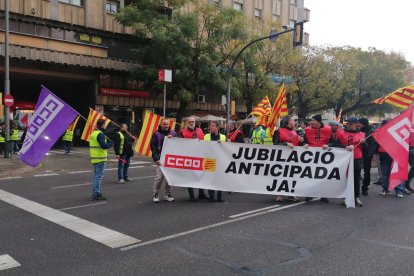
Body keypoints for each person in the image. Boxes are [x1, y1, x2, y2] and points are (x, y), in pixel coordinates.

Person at [335, 117, 366, 207]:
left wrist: (364, 143)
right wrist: (345, 146)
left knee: (356, 179)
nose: (348, 125)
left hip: (356, 159)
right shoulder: (341, 133)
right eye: (347, 124)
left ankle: (356, 197)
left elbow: (366, 149)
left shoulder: (362, 135)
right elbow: (336, 144)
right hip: (344, 159)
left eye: (350, 124)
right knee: (345, 178)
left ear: (356, 125)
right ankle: (345, 196)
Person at [303, 114, 334, 203]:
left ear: (319, 121)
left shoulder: (328, 130)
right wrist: (304, 143)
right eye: (311, 120)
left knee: (323, 176)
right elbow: (304, 140)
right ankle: (309, 194)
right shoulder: (308, 130)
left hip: (324, 157)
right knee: (310, 175)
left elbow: (333, 142)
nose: (311, 122)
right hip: (311, 156)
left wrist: (328, 145)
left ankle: (324, 195)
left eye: (313, 120)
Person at [273, 116, 303, 202]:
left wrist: (301, 142)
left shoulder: (295, 132)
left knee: (292, 176)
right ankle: (279, 194)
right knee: (281, 176)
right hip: (281, 158)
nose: (295, 122)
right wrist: (286, 144)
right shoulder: (278, 131)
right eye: (293, 120)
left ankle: (291, 194)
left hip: (293, 158)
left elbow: (297, 145)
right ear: (288, 122)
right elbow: (276, 143)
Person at [177, 116, 207, 201]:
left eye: (193, 122)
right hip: (188, 157)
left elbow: (204, 142)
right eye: (189, 121)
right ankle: (192, 195)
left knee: (201, 175)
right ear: (187, 123)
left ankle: (201, 193)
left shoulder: (200, 130)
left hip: (199, 156)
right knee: (190, 176)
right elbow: (177, 143)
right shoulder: (182, 132)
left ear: (195, 122)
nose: (191, 123)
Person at [375, 119, 405, 198]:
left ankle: (387, 190)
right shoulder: (381, 131)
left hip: (389, 153)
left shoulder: (380, 131)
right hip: (389, 153)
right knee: (394, 172)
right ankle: (397, 190)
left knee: (387, 172)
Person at [150, 119, 177, 203]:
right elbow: (153, 147)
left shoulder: (173, 133)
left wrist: (174, 139)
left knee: (169, 179)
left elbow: (180, 143)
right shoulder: (156, 134)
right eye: (164, 124)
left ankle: (167, 194)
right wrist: (156, 159)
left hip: (171, 160)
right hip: (160, 160)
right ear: (160, 125)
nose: (166, 125)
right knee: (159, 178)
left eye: (167, 124)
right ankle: (155, 194)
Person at [89, 119, 113, 201]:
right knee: (98, 177)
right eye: (104, 124)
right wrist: (110, 143)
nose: (105, 126)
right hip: (100, 158)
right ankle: (96, 194)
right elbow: (104, 146)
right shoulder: (100, 134)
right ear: (102, 125)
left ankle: (94, 193)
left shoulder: (93, 134)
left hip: (94, 158)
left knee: (96, 177)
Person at [204, 121, 226, 202]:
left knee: (220, 179)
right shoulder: (206, 136)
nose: (210, 127)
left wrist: (226, 143)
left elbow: (227, 149)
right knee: (210, 179)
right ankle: (211, 196)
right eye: (210, 126)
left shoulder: (223, 137)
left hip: (220, 161)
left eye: (212, 126)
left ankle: (219, 197)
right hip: (209, 160)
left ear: (217, 127)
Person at [357, 118, 375, 196]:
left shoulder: (371, 132)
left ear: (363, 123)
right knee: (356, 171)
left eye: (359, 123)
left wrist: (370, 154)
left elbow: (373, 144)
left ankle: (365, 188)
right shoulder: (358, 130)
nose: (358, 124)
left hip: (366, 154)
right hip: (358, 153)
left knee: (366, 172)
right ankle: (355, 187)